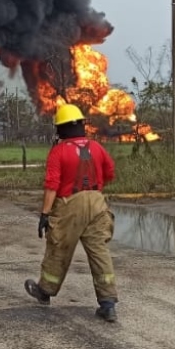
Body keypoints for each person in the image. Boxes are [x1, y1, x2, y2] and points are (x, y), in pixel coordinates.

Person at [24, 103, 120, 322]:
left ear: (61, 128)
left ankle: (45, 291)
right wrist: (93, 192)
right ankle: (108, 304)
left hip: (69, 205)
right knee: (99, 252)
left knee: (59, 248)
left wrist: (45, 214)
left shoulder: (58, 152)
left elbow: (52, 185)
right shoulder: (97, 148)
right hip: (98, 203)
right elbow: (110, 173)